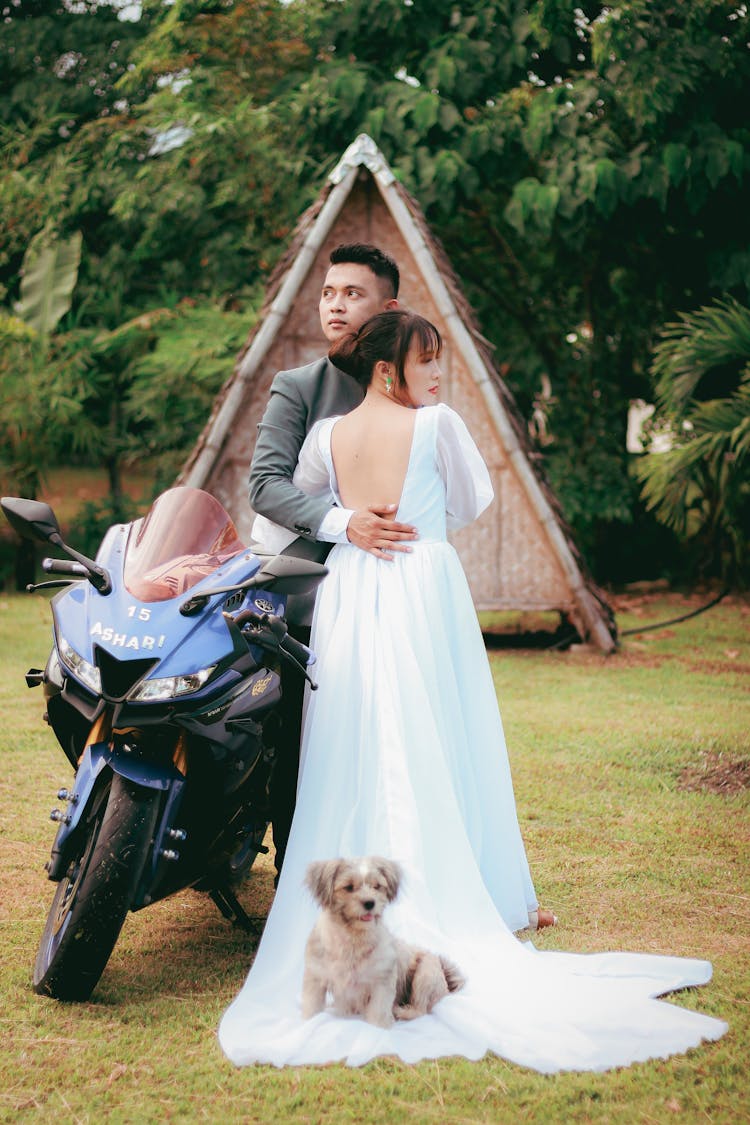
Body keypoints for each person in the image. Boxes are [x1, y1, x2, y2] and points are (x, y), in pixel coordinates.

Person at [219, 311, 725, 1071]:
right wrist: (417, 520)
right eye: (426, 361)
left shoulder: (326, 437)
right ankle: (456, 890)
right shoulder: (438, 425)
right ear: (388, 369)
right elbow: (472, 503)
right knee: (436, 726)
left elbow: (292, 497)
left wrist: (347, 521)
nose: (436, 376)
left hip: (351, 590)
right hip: (423, 579)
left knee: (357, 732)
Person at [249, 244, 417, 880]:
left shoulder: (412, 394)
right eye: (328, 293)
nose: (336, 304)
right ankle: (301, 881)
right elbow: (265, 484)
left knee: (392, 733)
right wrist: (345, 523)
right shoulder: (298, 387)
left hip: (391, 589)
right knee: (301, 732)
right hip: (305, 588)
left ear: (388, 307)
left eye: (353, 293)